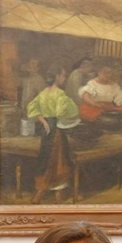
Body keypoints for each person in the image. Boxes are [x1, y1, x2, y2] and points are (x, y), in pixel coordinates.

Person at [26, 75, 81, 203]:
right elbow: (63, 112)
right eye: (63, 75)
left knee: (46, 159)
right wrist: (67, 117)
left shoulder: (43, 93)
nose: (64, 78)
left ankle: (50, 194)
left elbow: (32, 108)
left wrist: (44, 121)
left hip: (46, 130)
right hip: (57, 130)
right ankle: (50, 194)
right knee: (58, 160)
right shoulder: (60, 94)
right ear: (58, 77)